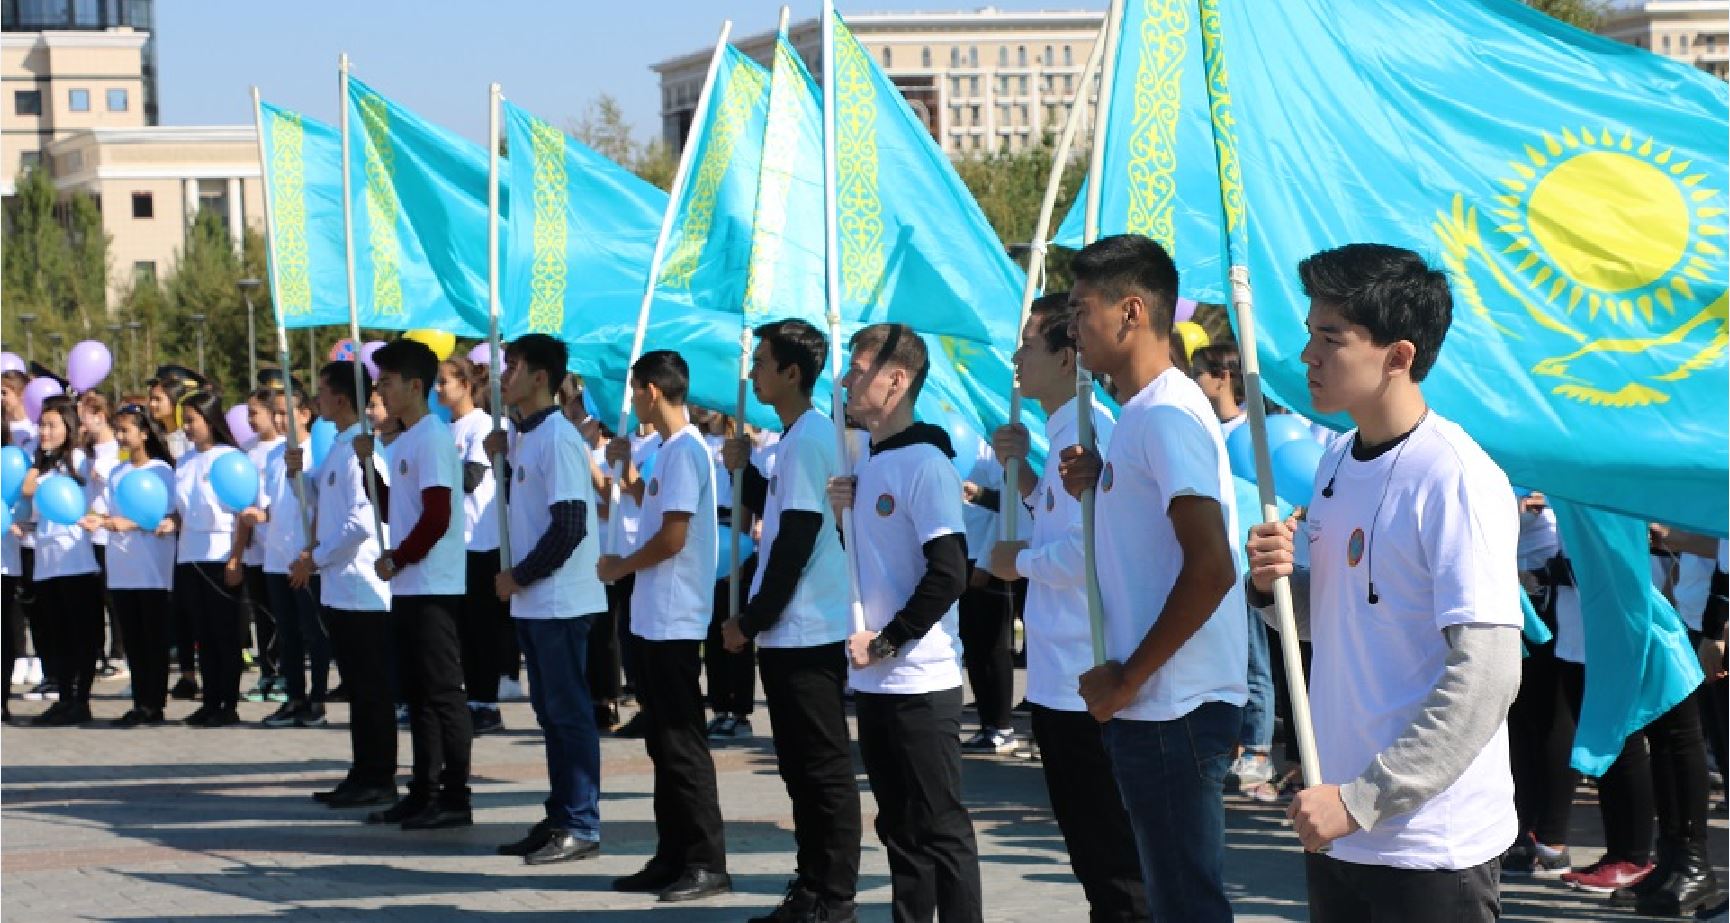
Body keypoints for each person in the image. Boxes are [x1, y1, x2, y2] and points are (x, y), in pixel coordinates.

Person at [1245, 243, 1523, 922]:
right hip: (1337, 828)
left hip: (1430, 846)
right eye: (1309, 334)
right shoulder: (1336, 462)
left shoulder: (1455, 477)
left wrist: (1362, 799)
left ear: (1398, 355)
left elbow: (1488, 675)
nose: (1307, 355)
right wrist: (1269, 586)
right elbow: (1337, 618)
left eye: (1330, 338)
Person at [1056, 235, 1246, 923]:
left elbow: (1212, 566)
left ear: (1131, 311)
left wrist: (1129, 678)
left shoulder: (1166, 412)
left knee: (1185, 903)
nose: (1071, 328)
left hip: (1172, 704)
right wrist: (1103, 477)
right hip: (1159, 702)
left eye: (1080, 310)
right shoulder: (1143, 414)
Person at [983, 293, 1148, 922]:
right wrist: (1024, 478)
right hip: (1058, 679)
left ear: (1066, 357)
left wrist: (1019, 563)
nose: (1016, 358)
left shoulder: (1089, 431)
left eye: (1029, 345)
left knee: (1114, 859)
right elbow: (1061, 520)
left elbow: (1091, 549)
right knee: (1091, 854)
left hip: (1088, 675)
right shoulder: (1058, 436)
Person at [826, 323, 982, 923]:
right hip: (874, 679)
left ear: (895, 380)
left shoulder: (926, 464)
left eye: (857, 369)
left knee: (940, 830)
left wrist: (889, 641)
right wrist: (844, 517)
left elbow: (950, 571)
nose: (845, 380)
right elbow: (877, 566)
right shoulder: (868, 460)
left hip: (920, 680)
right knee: (898, 829)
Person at [719, 319, 864, 923]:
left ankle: (832, 898)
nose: (753, 372)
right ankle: (811, 886)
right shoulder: (796, 437)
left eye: (761, 362)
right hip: (792, 630)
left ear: (791, 372)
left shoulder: (809, 438)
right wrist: (747, 474)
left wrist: (751, 620)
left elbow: (796, 540)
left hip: (808, 631)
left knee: (821, 770)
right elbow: (785, 513)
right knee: (800, 770)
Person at [598, 350, 731, 903]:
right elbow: (655, 511)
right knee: (662, 744)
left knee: (681, 746)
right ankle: (672, 854)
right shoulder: (668, 452)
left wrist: (621, 566)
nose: (632, 401)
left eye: (634, 391)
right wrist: (629, 475)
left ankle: (705, 860)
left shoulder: (684, 451)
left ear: (651, 390)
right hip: (654, 617)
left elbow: (674, 538)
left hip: (675, 617)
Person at [487, 334, 607, 866]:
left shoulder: (558, 437)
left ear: (541, 378)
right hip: (537, 602)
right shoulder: (526, 436)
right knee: (551, 714)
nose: (503, 376)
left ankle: (580, 822)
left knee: (569, 714)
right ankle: (561, 814)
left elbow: (571, 524)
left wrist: (520, 576)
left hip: (559, 600)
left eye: (512, 366)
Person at [355, 339, 473, 830]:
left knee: (442, 694)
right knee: (418, 695)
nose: (380, 392)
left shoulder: (432, 438)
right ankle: (423, 790)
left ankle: (455, 796)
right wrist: (368, 468)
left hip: (433, 586)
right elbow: (392, 508)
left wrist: (398, 558)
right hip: (407, 584)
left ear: (414, 385)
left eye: (386, 383)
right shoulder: (403, 441)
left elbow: (438, 516)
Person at [291, 361, 395, 809]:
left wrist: (316, 558)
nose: (317, 399)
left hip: (362, 587)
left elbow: (362, 521)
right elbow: (319, 499)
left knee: (371, 689)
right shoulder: (337, 446)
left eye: (321, 391)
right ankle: (363, 771)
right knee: (357, 686)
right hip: (340, 587)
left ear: (339, 397)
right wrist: (298, 475)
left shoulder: (362, 449)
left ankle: (379, 776)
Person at [86, 404, 177, 726]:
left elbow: (168, 515)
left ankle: (154, 704)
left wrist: (133, 523)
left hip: (152, 568)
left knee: (153, 638)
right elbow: (110, 512)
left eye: (126, 430)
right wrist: (98, 520)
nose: (121, 437)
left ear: (145, 433)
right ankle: (140, 702)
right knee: (134, 641)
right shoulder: (117, 472)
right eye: (118, 431)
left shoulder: (161, 471)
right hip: (122, 565)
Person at [437, 355, 508, 734]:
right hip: (453, 544)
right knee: (460, 630)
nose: (437, 389)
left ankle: (487, 704)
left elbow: (470, 478)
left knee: (482, 628)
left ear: (465, 385)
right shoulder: (443, 428)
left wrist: (433, 464)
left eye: (444, 382)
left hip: (482, 542)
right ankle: (470, 699)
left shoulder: (483, 425)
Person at [21, 395, 103, 726]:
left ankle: (81, 700)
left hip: (76, 560)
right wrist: (39, 460)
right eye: (41, 425)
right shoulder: (43, 463)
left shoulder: (80, 460)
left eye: (52, 425)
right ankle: (64, 697)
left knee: (79, 633)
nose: (44, 431)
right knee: (57, 634)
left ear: (68, 427)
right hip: (47, 560)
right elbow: (28, 492)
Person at [173, 390, 250, 727]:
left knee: (224, 634)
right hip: (189, 555)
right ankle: (210, 700)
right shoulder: (184, 461)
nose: (187, 427)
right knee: (202, 634)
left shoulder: (230, 458)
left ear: (210, 420)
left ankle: (227, 703)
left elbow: (243, 511)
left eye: (192, 420)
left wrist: (236, 557)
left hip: (220, 555)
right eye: (185, 421)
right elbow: (181, 509)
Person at [259, 378, 330, 729]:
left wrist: (310, 551)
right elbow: (270, 504)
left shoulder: (319, 451)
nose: (278, 421)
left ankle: (317, 700)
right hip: (277, 556)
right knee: (286, 633)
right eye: (274, 413)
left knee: (313, 632)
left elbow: (321, 505)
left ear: (304, 414)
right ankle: (294, 697)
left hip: (306, 558)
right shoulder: (274, 455)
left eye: (285, 413)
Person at [236, 386, 285, 703]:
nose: (250, 420)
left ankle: (284, 675)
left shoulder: (284, 449)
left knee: (283, 616)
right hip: (255, 547)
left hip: (280, 546)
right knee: (262, 614)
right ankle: (267, 674)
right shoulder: (245, 450)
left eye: (255, 413)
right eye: (248, 414)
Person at [78, 391, 123, 677]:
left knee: (112, 597)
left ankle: (118, 653)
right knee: (93, 597)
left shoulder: (117, 449)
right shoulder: (87, 451)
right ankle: (96, 652)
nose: (80, 424)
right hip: (90, 532)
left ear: (99, 417)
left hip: (111, 531)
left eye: (83, 417)